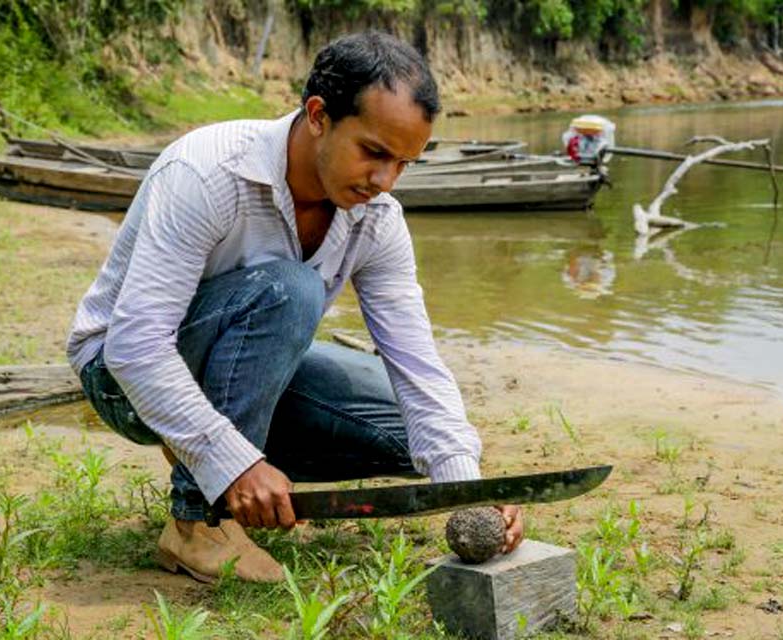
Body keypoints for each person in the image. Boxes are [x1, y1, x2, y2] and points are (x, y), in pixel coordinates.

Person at [66, 30, 523, 584]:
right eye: (374, 153)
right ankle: (197, 523)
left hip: (248, 371)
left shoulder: (377, 220)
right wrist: (234, 464)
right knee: (291, 289)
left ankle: (215, 449)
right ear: (318, 115)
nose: (385, 181)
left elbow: (416, 362)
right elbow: (135, 347)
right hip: (118, 373)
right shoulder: (207, 173)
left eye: (404, 163)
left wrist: (468, 493)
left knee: (411, 432)